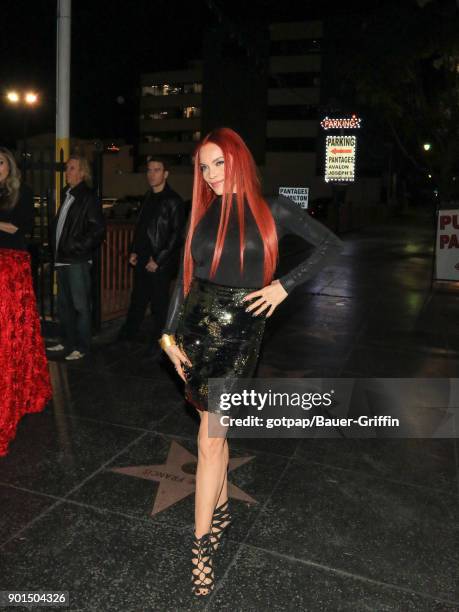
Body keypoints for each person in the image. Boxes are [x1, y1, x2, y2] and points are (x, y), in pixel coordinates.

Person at [159, 128, 343, 596]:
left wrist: (284, 286)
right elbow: (186, 278)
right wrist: (167, 334)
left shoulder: (272, 208)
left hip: (240, 338)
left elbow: (330, 246)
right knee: (211, 435)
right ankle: (219, 510)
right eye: (203, 166)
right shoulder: (201, 212)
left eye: (218, 163)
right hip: (194, 335)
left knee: (209, 441)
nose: (210, 174)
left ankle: (200, 549)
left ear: (238, 160)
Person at [0, 147, 52, 457]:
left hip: (12, 266)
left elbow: (19, 227)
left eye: (1, 161)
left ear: (10, 166)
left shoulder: (23, 192)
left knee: (14, 328)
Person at [117, 157, 185, 355]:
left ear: (165, 174)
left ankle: (162, 346)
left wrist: (158, 260)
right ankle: (127, 336)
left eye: (156, 170)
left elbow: (176, 235)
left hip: (160, 263)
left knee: (159, 305)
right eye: (149, 170)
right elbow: (141, 228)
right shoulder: (147, 197)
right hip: (143, 258)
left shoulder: (174, 200)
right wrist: (134, 251)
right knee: (137, 299)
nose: (151, 174)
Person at [47, 155, 105, 360]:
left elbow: (97, 230)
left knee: (80, 306)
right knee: (64, 305)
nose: (67, 172)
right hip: (62, 258)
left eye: (72, 168)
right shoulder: (68, 194)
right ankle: (67, 341)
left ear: (82, 173)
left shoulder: (88, 197)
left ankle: (82, 346)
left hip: (76, 260)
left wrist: (74, 247)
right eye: (67, 168)